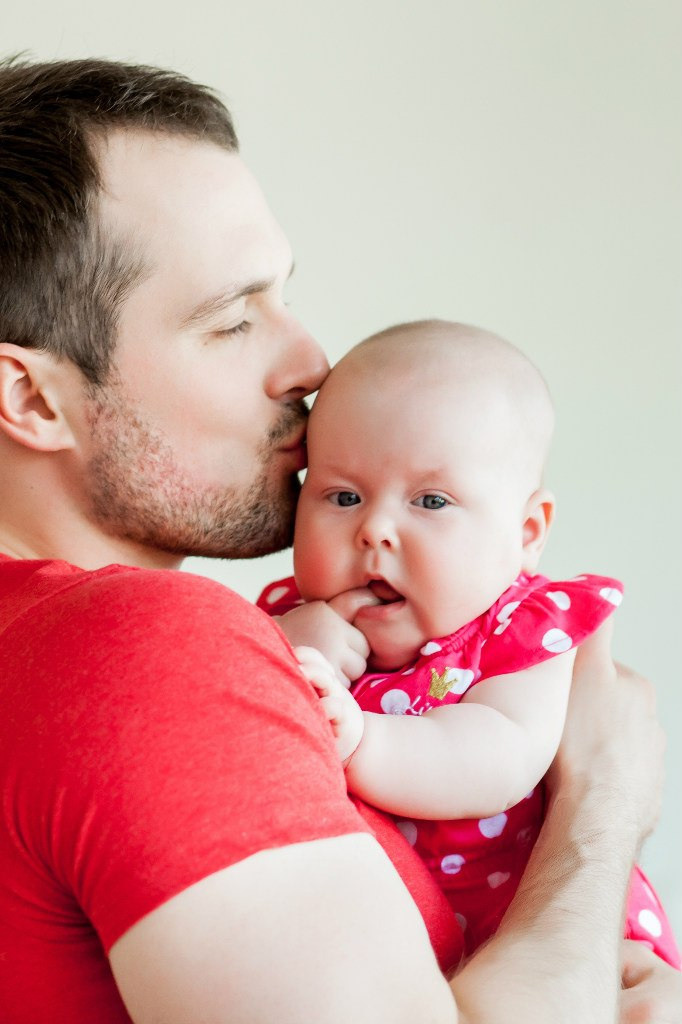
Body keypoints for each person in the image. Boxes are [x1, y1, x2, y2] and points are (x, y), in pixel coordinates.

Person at [0, 57, 680, 1024]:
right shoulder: (142, 646)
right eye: (233, 321)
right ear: (31, 397)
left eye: (282, 295)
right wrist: (603, 808)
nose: (310, 359)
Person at [259, 320, 680, 964]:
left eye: (430, 501)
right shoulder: (289, 619)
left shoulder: (521, 628)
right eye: (343, 496)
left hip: (540, 933)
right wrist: (283, 653)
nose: (375, 529)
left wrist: (365, 741)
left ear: (527, 531)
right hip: (386, 952)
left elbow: (500, 756)